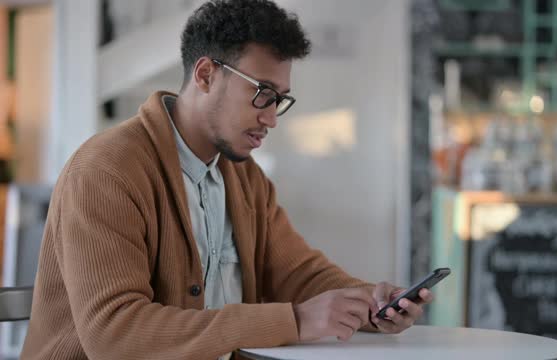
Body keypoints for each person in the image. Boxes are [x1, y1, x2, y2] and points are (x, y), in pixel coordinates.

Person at [21, 1, 433, 359]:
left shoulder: (243, 177)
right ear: (205, 75)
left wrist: (372, 305)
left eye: (280, 100)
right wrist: (292, 320)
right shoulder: (106, 170)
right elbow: (114, 336)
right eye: (262, 93)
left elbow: (299, 274)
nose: (271, 118)